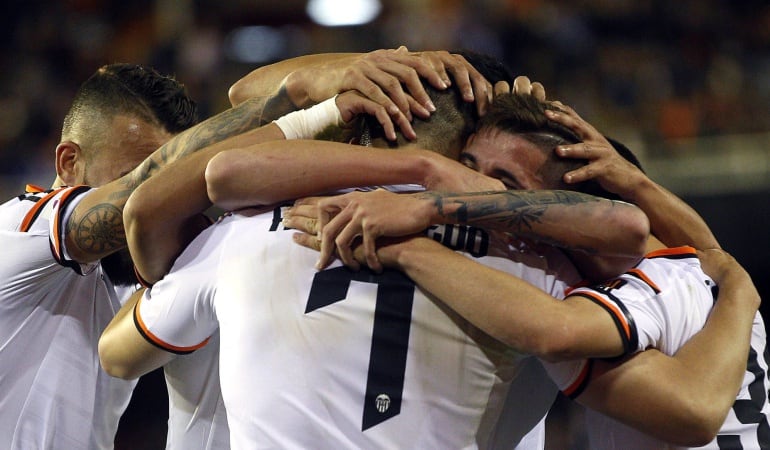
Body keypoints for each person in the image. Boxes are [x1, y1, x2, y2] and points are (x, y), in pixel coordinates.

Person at [98, 67, 651, 448]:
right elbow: (628, 235)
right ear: (461, 150)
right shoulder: (542, 262)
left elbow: (118, 351)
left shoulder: (256, 228)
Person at [0, 48, 468, 450]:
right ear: (69, 162)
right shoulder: (20, 230)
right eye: (140, 167)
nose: (171, 191)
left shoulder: (149, 259)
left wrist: (376, 67)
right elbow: (143, 197)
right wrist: (312, 105)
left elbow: (243, 95)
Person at [285, 93, 768, 447]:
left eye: (504, 183)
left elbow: (693, 413)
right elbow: (703, 249)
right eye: (469, 165)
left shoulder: (637, 291)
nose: (474, 188)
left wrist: (406, 249)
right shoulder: (703, 272)